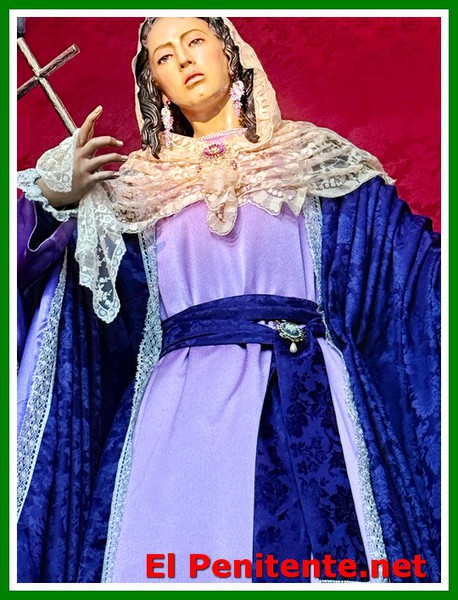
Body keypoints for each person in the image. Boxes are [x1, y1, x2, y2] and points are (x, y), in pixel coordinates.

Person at [17, 17, 441, 584]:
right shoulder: (137, 190)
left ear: (230, 51)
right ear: (156, 85)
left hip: (313, 396)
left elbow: (411, 270)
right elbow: (72, 297)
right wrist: (55, 198)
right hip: (183, 411)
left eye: (195, 41)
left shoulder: (309, 161)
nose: (183, 59)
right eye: (163, 56)